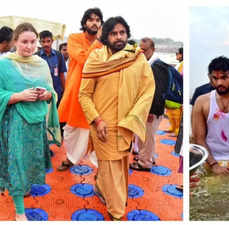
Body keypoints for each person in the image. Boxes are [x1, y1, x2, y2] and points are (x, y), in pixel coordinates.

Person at [79, 16, 155, 220]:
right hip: (102, 125)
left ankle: (101, 188)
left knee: (119, 164)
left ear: (127, 34)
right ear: (106, 36)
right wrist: (97, 119)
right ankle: (117, 213)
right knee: (113, 170)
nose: (119, 37)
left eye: (122, 32)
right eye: (113, 33)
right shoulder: (96, 59)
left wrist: (133, 119)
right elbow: (84, 95)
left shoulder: (137, 58)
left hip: (126, 124)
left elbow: (148, 91)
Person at [0, 23, 60, 221]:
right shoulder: (4, 64)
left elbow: (52, 92)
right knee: (16, 163)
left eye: (33, 42)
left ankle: (23, 188)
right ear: (15, 42)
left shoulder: (41, 64)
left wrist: (46, 95)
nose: (29, 46)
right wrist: (18, 95)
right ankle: (19, 212)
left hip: (36, 122)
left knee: (29, 162)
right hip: (15, 121)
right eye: (24, 41)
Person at [57, 8, 104, 171]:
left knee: (98, 129)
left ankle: (101, 168)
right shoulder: (74, 38)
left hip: (98, 93)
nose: (94, 23)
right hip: (77, 92)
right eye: (91, 19)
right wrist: (98, 42)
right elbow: (84, 59)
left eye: (98, 20)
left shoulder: (105, 43)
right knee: (72, 130)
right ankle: (71, 157)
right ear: (84, 23)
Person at [129, 37, 169, 171]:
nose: (142, 52)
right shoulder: (148, 63)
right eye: (140, 49)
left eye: (145, 50)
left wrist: (152, 111)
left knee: (146, 137)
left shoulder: (157, 67)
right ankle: (148, 158)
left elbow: (158, 91)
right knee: (146, 136)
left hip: (152, 110)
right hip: (146, 108)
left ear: (153, 49)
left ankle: (144, 162)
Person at [38, 30, 67, 106]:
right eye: (43, 42)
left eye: (48, 41)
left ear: (52, 41)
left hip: (57, 92)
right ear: (40, 42)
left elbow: (61, 75)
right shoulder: (36, 56)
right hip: (42, 93)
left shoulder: (59, 55)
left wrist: (65, 91)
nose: (46, 44)